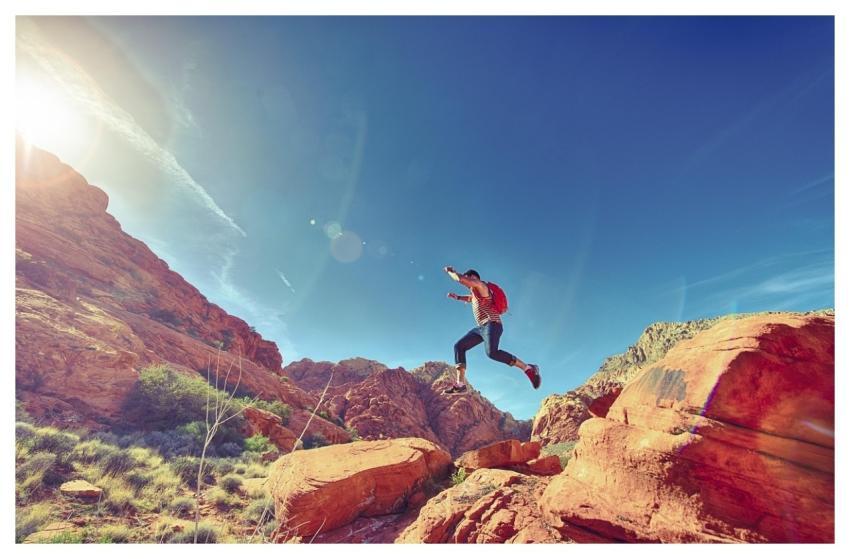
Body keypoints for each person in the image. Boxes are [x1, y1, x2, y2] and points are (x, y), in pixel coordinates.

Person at [443, 266, 541, 394]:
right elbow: (469, 298)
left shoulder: (481, 285)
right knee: (459, 346)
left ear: (474, 278)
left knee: (492, 353)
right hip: (480, 328)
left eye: (469, 279)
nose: (468, 282)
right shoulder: (475, 294)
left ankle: (528, 368)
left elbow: (460, 279)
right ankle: (460, 384)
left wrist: (451, 272)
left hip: (492, 324)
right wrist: (457, 297)